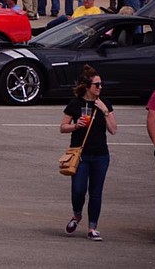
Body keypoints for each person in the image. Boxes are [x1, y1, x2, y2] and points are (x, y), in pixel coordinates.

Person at [60, 65, 117, 241]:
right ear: (87, 86)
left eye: (101, 84)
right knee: (78, 189)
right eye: (97, 85)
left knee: (96, 192)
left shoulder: (104, 104)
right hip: (81, 154)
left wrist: (105, 111)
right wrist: (75, 126)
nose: (100, 88)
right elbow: (63, 127)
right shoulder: (75, 104)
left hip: (100, 155)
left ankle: (93, 227)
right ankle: (77, 215)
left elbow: (113, 130)